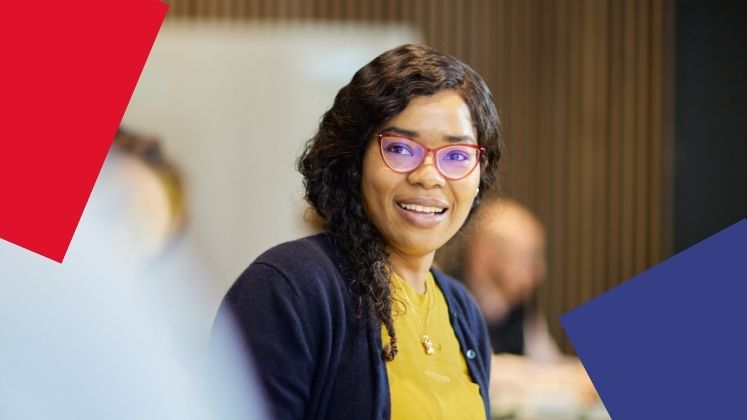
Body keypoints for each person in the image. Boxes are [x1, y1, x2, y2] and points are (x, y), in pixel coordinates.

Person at [213, 44, 503, 420]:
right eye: (400, 148)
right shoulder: (288, 287)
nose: (429, 176)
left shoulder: (462, 311)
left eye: (457, 156)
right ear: (354, 161)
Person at [435, 197, 600, 416]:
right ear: (483, 255)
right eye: (527, 258)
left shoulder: (520, 309)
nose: (538, 272)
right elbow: (480, 373)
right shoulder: (448, 303)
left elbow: (547, 361)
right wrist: (555, 378)